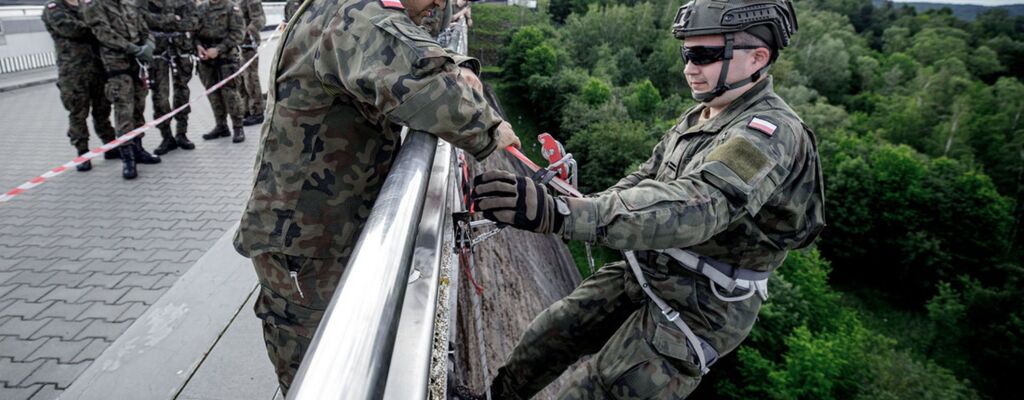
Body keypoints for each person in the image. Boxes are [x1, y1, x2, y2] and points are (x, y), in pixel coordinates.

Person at [469, 0, 825, 398]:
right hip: (649, 267)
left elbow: (700, 205)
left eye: (705, 55)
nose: (690, 67)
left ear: (758, 57)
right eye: (686, 53)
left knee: (604, 388)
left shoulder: (769, 133)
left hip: (702, 303)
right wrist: (574, 204)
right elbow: (646, 177)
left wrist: (564, 214)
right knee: (552, 333)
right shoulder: (702, 116)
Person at [232, 0, 520, 394]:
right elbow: (429, 88)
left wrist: (458, 63)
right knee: (322, 372)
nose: (439, 3)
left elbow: (412, 51)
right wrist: (490, 127)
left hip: (321, 228)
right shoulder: (360, 18)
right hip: (305, 245)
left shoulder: (350, 10)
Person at [85, 0, 162, 180]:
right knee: (124, 111)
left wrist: (148, 45)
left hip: (137, 66)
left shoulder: (129, 4)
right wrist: (133, 48)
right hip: (117, 66)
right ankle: (128, 157)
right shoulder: (96, 6)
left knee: (138, 108)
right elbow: (103, 33)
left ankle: (138, 148)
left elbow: (144, 29)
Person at [42, 0, 119, 172]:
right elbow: (71, 29)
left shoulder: (88, 5)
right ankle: (82, 153)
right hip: (73, 73)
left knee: (103, 110)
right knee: (78, 113)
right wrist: (99, 28)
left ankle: (110, 146)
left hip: (98, 69)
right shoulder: (54, 8)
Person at [142, 0, 198, 155]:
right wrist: (174, 19)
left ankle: (182, 133)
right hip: (157, 53)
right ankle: (166, 136)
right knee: (160, 96)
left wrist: (160, 23)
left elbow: (192, 22)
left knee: (182, 92)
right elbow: (143, 20)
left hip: (180, 51)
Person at [195, 0, 245, 143]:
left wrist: (218, 49)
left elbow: (238, 34)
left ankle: (238, 127)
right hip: (206, 59)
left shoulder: (231, 7)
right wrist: (198, 46)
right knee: (212, 93)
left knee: (231, 93)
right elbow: (194, 32)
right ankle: (221, 126)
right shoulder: (202, 8)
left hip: (226, 58)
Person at [238, 0, 266, 126]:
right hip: (236, 45)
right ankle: (246, 110)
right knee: (240, 80)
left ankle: (257, 111)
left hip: (247, 45)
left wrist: (247, 33)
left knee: (251, 78)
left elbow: (259, 19)